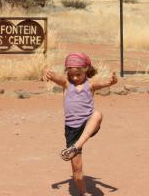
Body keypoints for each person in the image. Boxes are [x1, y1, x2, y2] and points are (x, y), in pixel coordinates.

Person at [44, 52, 118, 196]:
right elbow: (51, 74)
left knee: (97, 114)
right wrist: (45, 71)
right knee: (77, 170)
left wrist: (113, 81)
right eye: (71, 75)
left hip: (87, 124)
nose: (75, 78)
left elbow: (107, 82)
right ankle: (83, 193)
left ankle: (76, 146)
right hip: (71, 130)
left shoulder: (91, 84)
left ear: (86, 70)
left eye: (78, 75)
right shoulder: (66, 83)